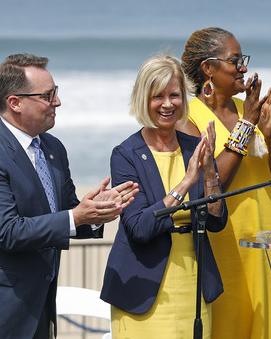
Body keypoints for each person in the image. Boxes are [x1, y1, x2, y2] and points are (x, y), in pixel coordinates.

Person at [0, 53, 138, 339]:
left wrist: (98, 212)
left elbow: (67, 212)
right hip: (7, 308)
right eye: (47, 95)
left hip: (43, 305)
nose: (57, 102)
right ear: (15, 103)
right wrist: (76, 216)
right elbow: (8, 231)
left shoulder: (53, 148)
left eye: (56, 93)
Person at [180, 28, 271, 339]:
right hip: (226, 257)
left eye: (243, 60)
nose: (243, 68)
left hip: (269, 251)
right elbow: (213, 181)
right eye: (235, 60)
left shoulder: (247, 111)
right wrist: (247, 124)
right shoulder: (189, 119)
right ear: (208, 68)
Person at [100, 55, 227, 337]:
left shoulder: (197, 146)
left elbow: (217, 221)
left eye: (174, 95)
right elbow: (140, 228)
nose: (168, 104)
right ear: (143, 99)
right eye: (158, 96)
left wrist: (208, 175)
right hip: (142, 291)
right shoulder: (126, 155)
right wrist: (185, 184)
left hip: (194, 286)